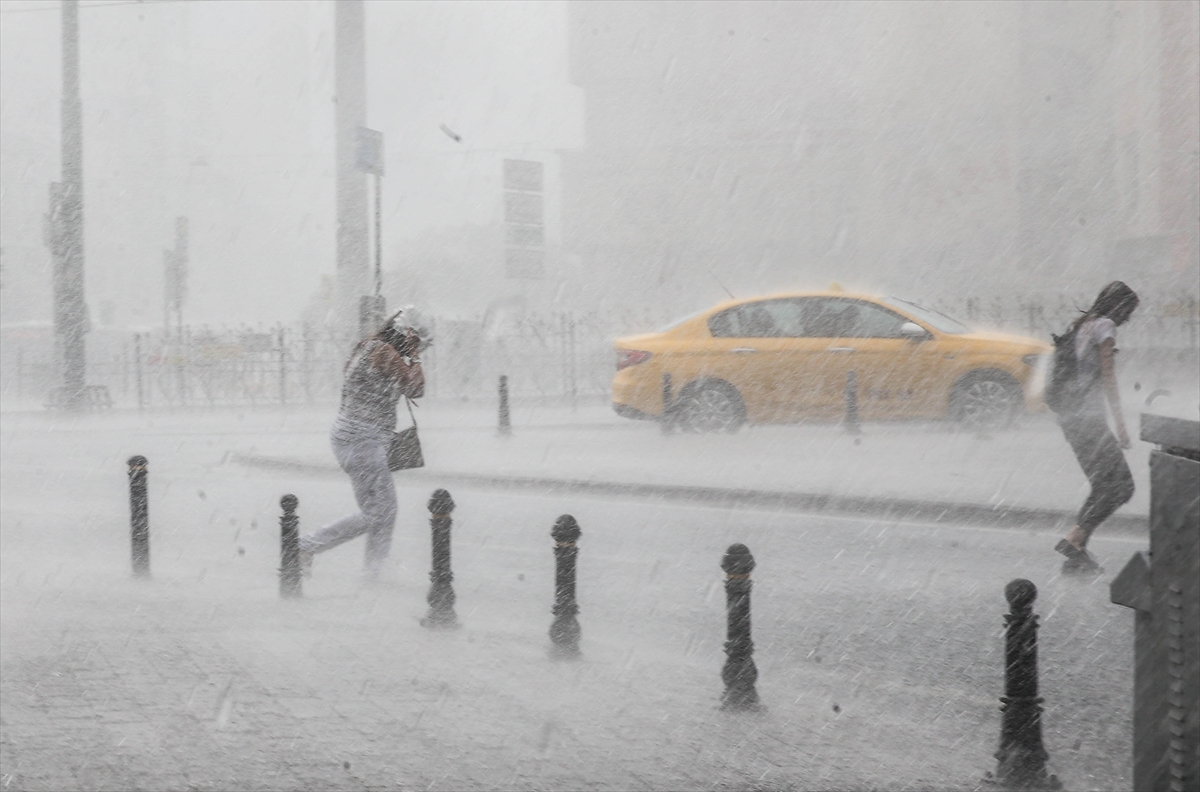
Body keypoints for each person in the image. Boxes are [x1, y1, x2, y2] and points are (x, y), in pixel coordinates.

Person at [299, 309, 427, 580]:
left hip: (355, 436)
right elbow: (416, 388)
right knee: (381, 511)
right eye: (417, 343)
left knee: (380, 511)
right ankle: (306, 545)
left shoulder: (368, 347)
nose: (418, 351)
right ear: (405, 336)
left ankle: (373, 572)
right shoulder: (383, 352)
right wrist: (413, 354)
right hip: (363, 439)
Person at [1054, 281, 1139, 575]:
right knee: (1123, 486)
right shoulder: (1104, 327)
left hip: (1070, 418)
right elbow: (1109, 378)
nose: (1128, 318)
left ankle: (1077, 549)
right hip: (1088, 419)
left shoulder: (1084, 324)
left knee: (1104, 484)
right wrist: (1121, 424)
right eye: (1128, 311)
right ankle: (1075, 538)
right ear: (1119, 307)